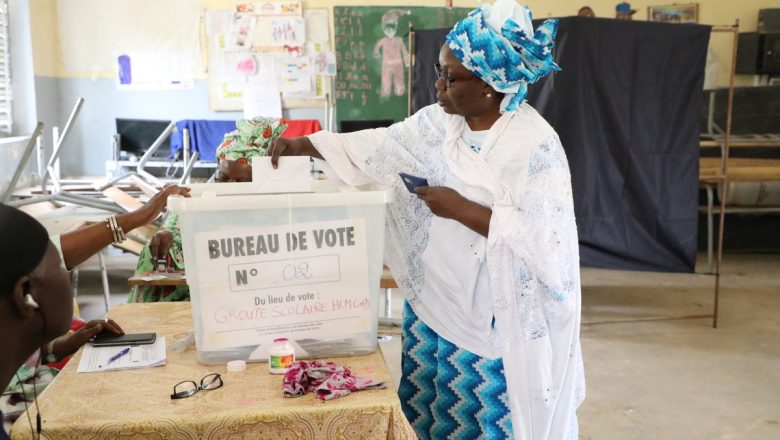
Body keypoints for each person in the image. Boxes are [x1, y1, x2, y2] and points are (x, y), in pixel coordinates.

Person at [268, 1, 585, 438]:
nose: (437, 85)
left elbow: (548, 242)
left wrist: (463, 210)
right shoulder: (438, 124)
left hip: (492, 321)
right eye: (439, 71)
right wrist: (304, 146)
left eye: (451, 77)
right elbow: (381, 146)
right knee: (428, 410)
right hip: (433, 305)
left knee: (479, 420)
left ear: (491, 84)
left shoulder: (533, 146)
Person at [1, 184, 189, 434]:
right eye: (60, 265)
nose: (68, 270)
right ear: (27, 296)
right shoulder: (17, 426)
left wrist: (64, 345)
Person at [128, 117, 286, 303]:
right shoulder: (198, 203)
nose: (229, 188)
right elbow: (175, 229)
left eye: (242, 182)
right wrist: (167, 235)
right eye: (223, 178)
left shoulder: (277, 210)